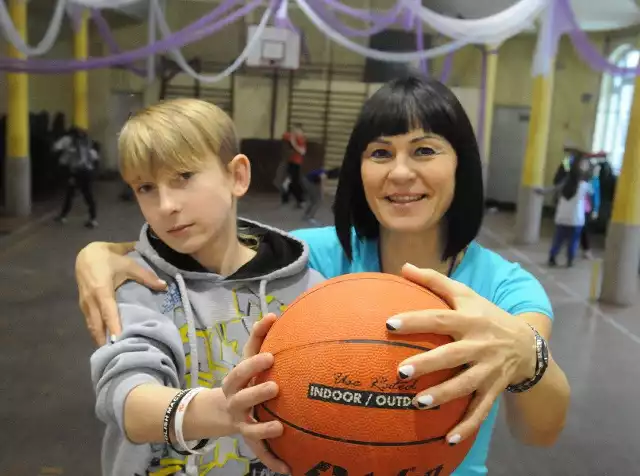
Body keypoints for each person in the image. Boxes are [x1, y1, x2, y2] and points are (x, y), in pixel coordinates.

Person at [75, 76, 570, 476]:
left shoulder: (507, 287)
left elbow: (539, 434)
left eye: (424, 150)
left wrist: (530, 357)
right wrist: (101, 254)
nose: (399, 172)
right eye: (380, 153)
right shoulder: (313, 258)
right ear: (359, 170)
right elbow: (211, 243)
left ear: (462, 163)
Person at [90, 98, 323, 476]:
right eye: (146, 187)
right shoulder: (136, 282)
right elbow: (126, 395)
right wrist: (220, 410)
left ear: (237, 176)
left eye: (183, 177)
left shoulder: (310, 290)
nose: (166, 205)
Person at [538, 153, 593, 267]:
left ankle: (552, 257)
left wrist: (541, 191)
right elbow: (592, 193)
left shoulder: (565, 182)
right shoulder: (584, 185)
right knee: (572, 242)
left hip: (562, 217)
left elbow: (552, 189)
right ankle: (570, 260)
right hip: (576, 219)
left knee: (558, 240)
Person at [53, 126, 99, 228]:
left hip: (77, 173)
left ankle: (63, 216)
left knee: (71, 194)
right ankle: (93, 219)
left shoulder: (72, 146)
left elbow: (63, 159)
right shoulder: (87, 145)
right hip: (87, 172)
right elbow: (95, 158)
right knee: (87, 195)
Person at [280, 123, 306, 207]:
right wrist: (291, 137)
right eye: (293, 130)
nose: (294, 131)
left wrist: (294, 143)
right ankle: (286, 198)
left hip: (296, 164)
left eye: (296, 130)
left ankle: (300, 200)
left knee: (293, 182)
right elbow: (284, 135)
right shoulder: (292, 136)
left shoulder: (301, 140)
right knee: (289, 181)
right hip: (290, 162)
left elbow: (302, 151)